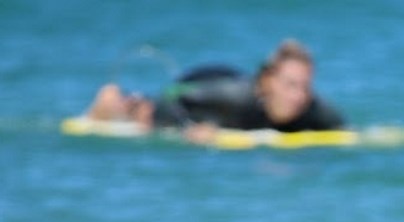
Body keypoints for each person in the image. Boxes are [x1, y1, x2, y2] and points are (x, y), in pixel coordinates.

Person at [82, 39, 345, 138]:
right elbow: (172, 96)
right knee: (147, 116)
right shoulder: (235, 96)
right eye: (290, 86)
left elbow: (344, 132)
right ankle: (118, 101)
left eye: (305, 87)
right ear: (268, 81)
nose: (298, 96)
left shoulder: (313, 107)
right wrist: (187, 129)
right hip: (194, 92)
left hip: (220, 93)